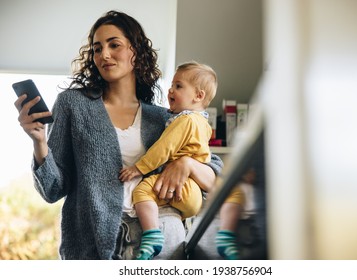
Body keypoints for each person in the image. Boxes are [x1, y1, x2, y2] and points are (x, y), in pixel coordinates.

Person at [13, 10, 222, 260]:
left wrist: (186, 163)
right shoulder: (73, 105)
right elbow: (53, 189)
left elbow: (214, 181)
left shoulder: (164, 117)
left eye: (115, 45)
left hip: (164, 241)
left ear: (136, 51)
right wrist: (39, 143)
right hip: (92, 244)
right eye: (97, 48)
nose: (105, 55)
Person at [119, 61, 217, 260]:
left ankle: (152, 235)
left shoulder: (185, 120)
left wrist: (139, 168)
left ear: (198, 96)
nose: (171, 90)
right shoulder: (202, 122)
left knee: (142, 191)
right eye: (172, 85)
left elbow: (164, 148)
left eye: (179, 86)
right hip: (191, 194)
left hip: (185, 187)